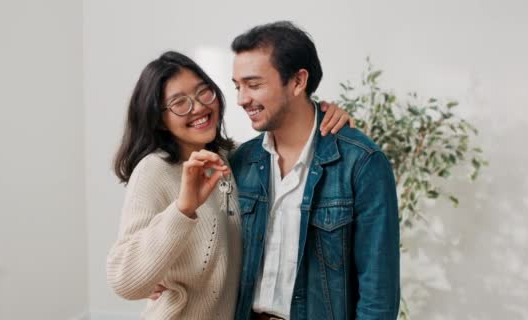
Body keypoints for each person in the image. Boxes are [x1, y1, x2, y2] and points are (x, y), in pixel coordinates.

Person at [106, 51, 352, 319]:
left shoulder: (235, 160)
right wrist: (183, 209)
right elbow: (124, 280)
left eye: (204, 92)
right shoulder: (155, 169)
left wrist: (324, 115)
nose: (198, 107)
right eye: (179, 103)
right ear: (158, 119)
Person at [229, 21, 400, 320]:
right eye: (238, 86)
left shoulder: (360, 162)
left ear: (297, 81)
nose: (242, 99)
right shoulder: (241, 161)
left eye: (254, 85)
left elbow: (378, 294)